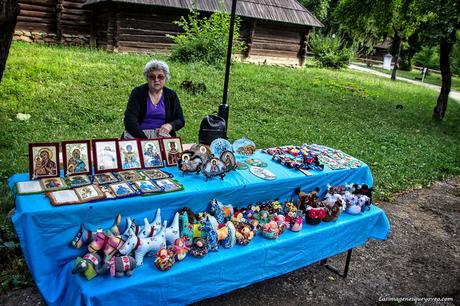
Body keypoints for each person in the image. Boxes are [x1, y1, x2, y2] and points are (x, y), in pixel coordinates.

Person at [123, 60, 185, 139]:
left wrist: (170, 125)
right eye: (152, 77)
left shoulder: (171, 95)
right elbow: (129, 120)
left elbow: (180, 120)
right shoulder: (138, 93)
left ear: (166, 78)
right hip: (138, 134)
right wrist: (144, 139)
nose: (156, 80)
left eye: (160, 77)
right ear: (147, 78)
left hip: (161, 135)